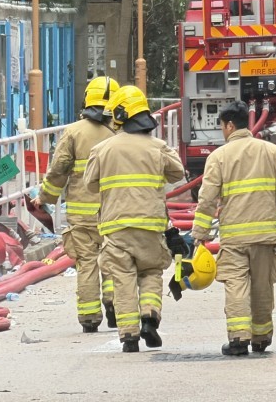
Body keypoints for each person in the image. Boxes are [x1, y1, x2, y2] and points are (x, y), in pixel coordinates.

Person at [191, 100, 276, 356]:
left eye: (222, 126)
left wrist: (200, 235)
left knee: (236, 284)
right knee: (262, 286)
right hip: (266, 236)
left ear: (229, 125)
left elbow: (207, 199)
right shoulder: (270, 151)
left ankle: (238, 338)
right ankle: (261, 337)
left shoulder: (218, 157)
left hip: (234, 237)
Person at [84, 85, 184, 353]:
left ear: (119, 114)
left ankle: (129, 336)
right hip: (151, 225)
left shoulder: (103, 149)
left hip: (116, 226)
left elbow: (90, 184)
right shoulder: (158, 147)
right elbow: (178, 173)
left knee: (122, 278)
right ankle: (150, 317)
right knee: (151, 271)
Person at [33, 75, 118, 333]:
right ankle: (114, 303)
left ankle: (89, 317)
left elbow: (59, 170)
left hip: (82, 214)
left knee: (87, 262)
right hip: (115, 211)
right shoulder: (122, 132)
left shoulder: (73, 132)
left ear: (87, 99)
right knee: (114, 259)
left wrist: (44, 198)